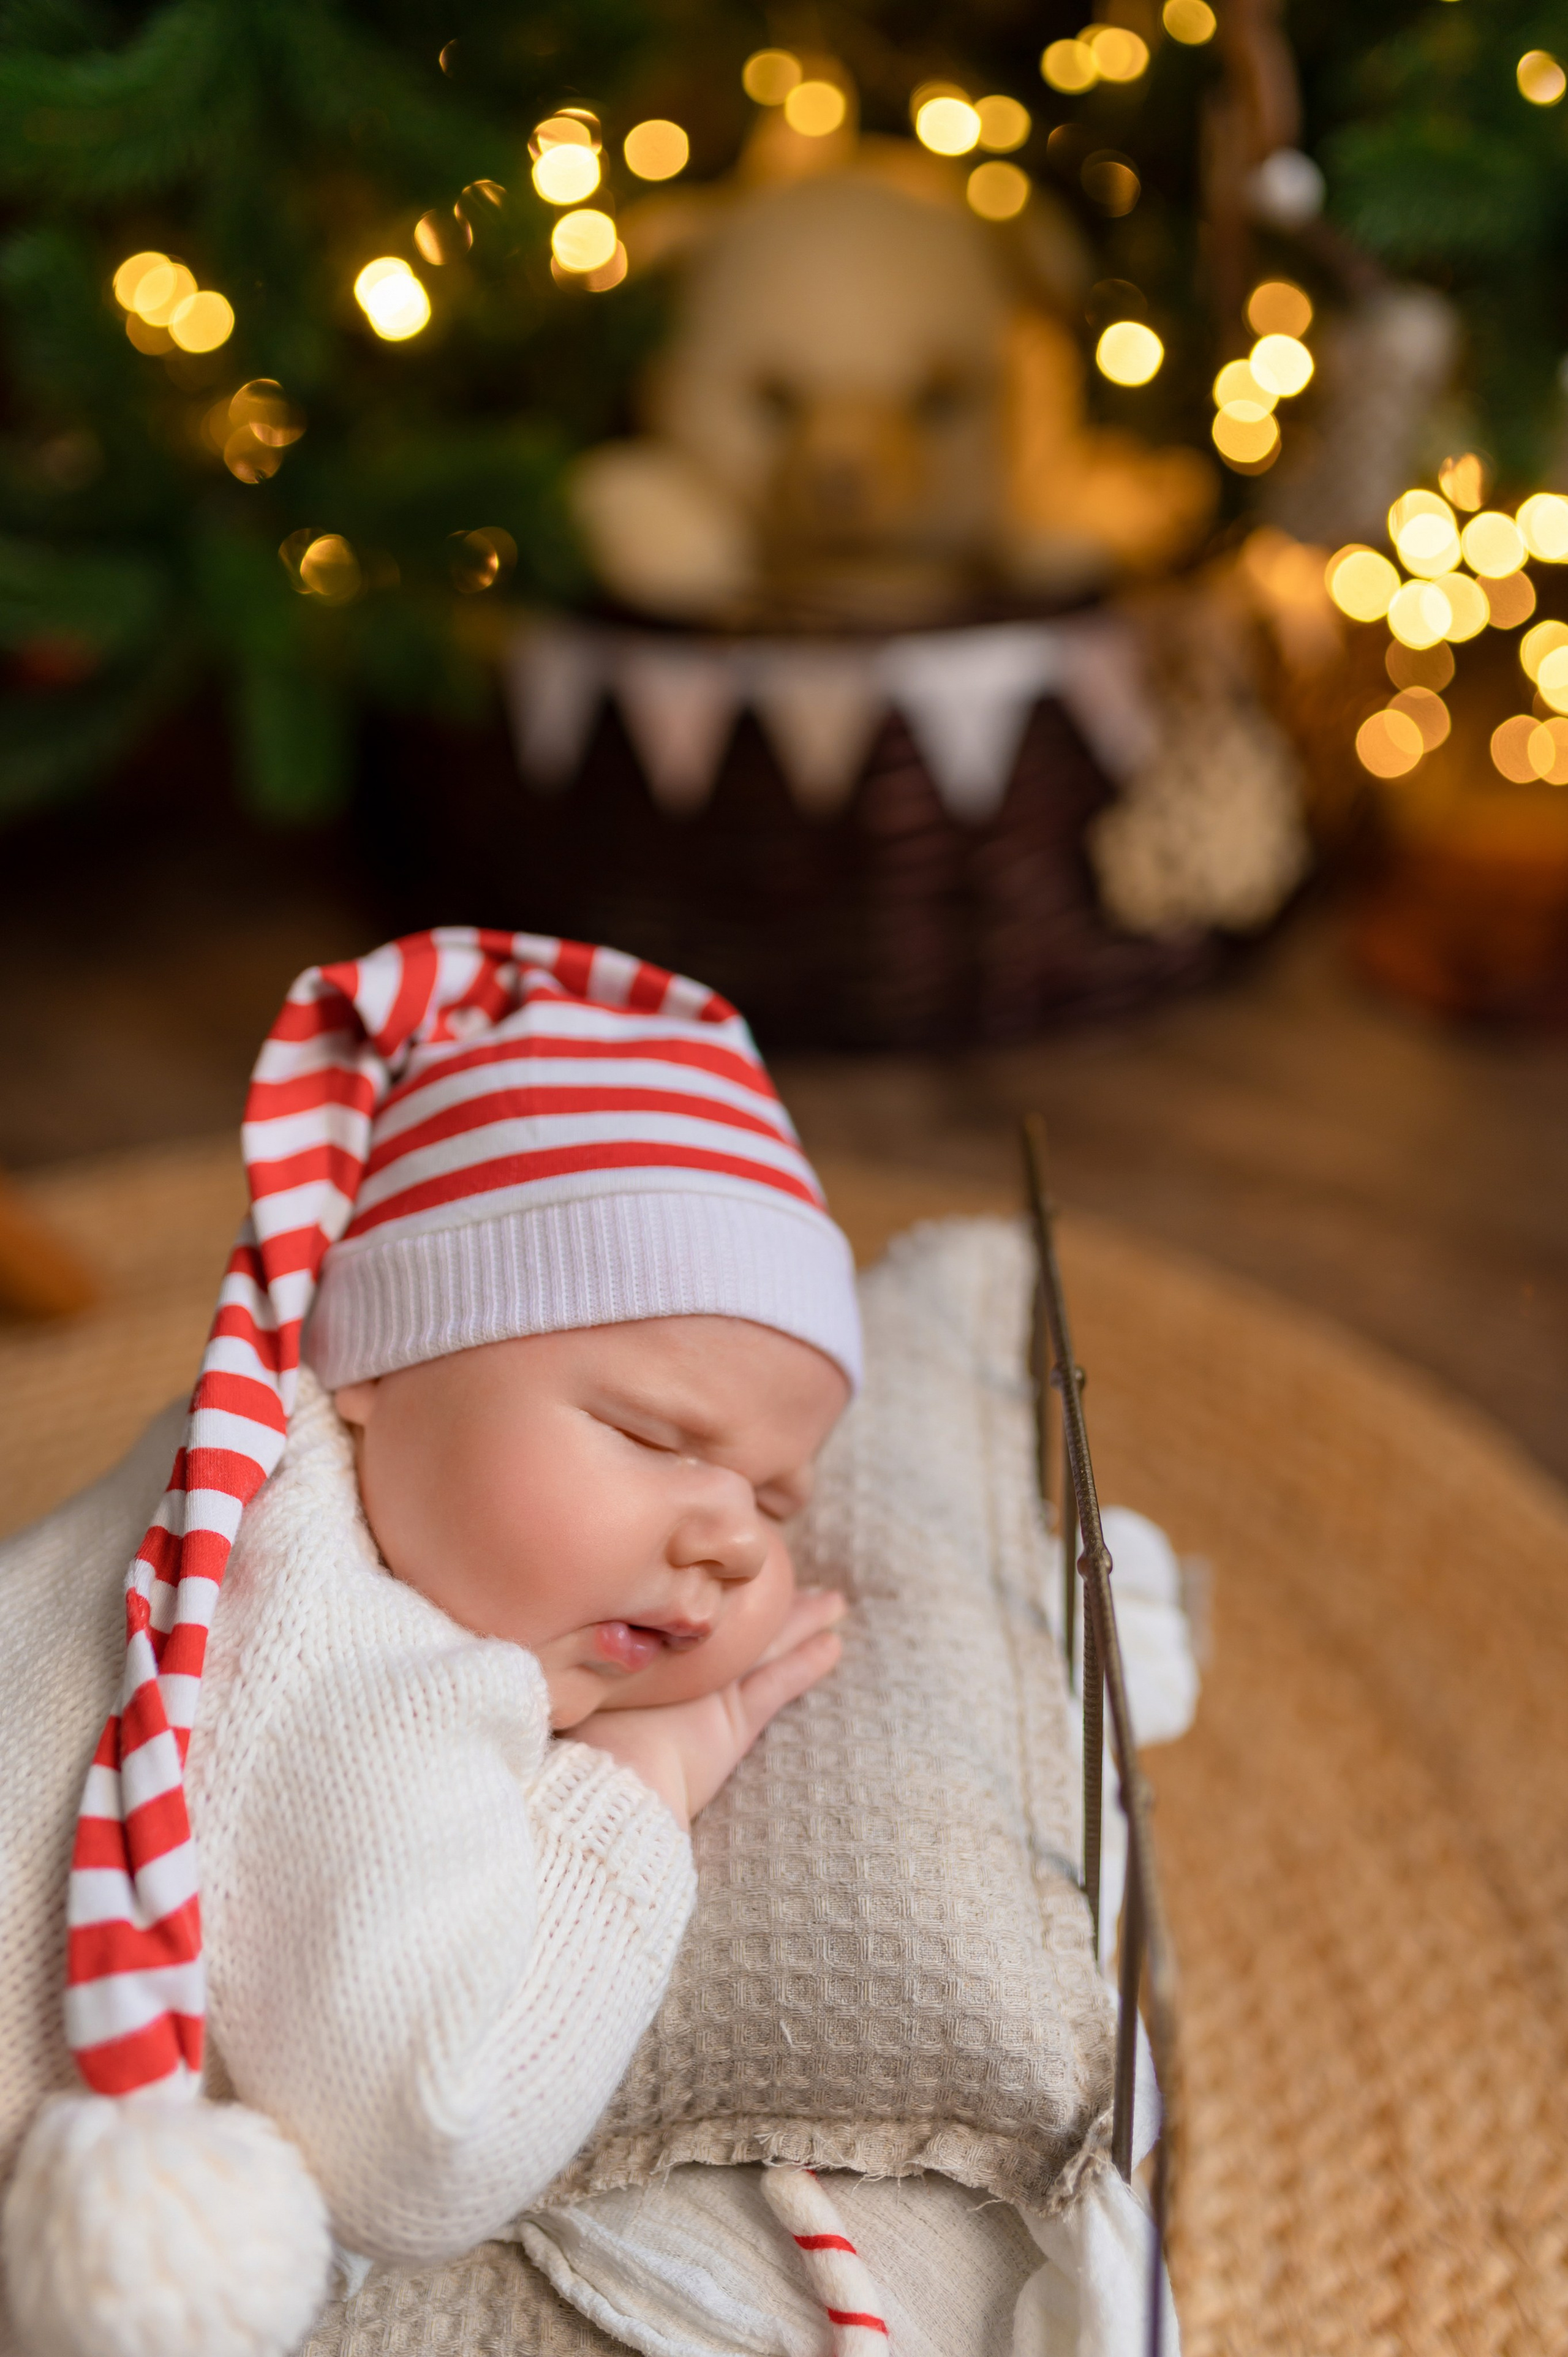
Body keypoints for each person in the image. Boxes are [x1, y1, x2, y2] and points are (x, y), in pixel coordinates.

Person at [0, 927, 862, 2357]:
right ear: (377, 1368)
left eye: (777, 1498)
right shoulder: (361, 1675)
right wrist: (638, 1781)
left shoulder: (230, 1468)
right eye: (653, 1435)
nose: (736, 1540)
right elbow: (428, 2137)